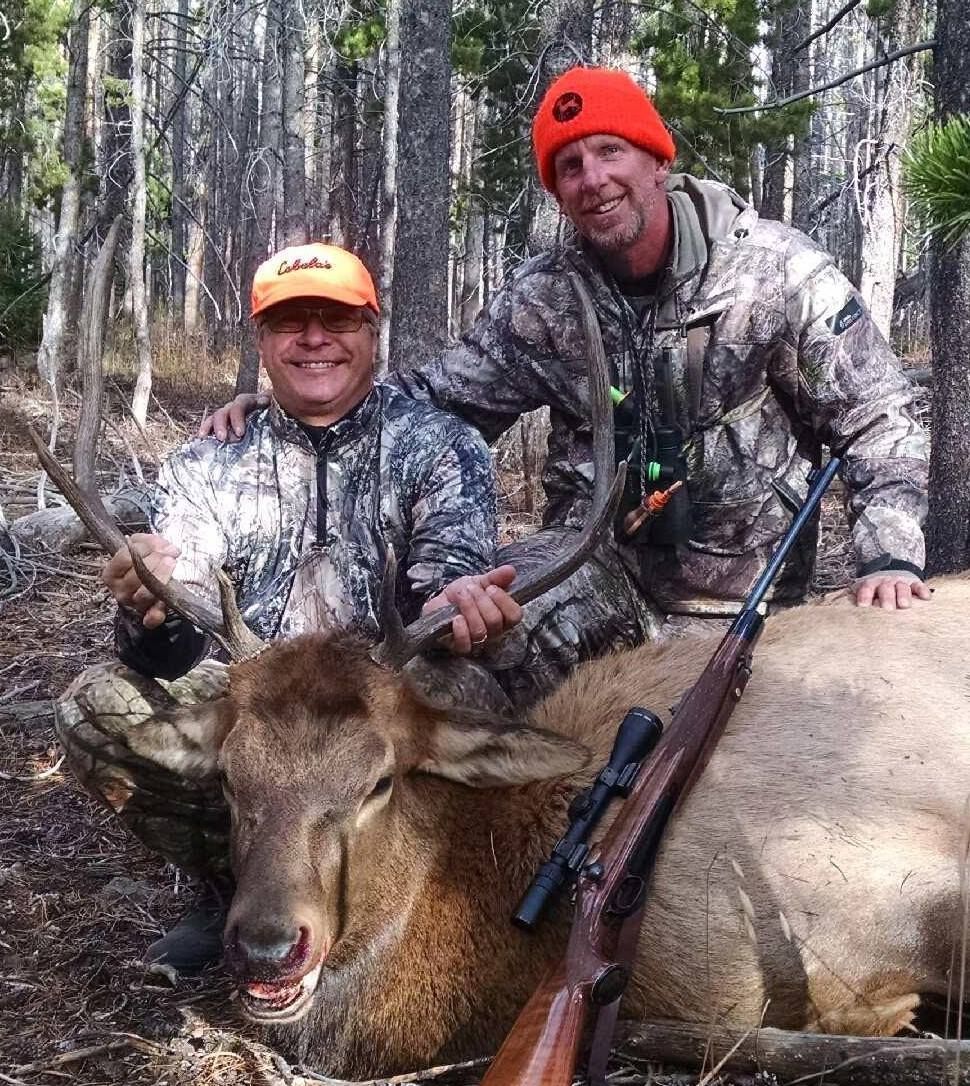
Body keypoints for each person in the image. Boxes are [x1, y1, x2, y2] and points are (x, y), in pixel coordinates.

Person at [205, 65, 931, 673]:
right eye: (569, 166)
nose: (592, 179)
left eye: (610, 152)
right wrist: (286, 408)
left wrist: (890, 559)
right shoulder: (548, 297)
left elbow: (879, 418)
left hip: (746, 601)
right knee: (459, 648)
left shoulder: (777, 272)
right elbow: (435, 402)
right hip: (590, 573)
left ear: (658, 160)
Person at [55, 243, 522, 972]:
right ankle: (238, 887)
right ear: (262, 343)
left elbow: (449, 584)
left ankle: (387, 896)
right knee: (94, 709)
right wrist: (155, 602)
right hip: (260, 705)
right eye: (288, 322)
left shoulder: (440, 447)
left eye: (335, 317)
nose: (313, 337)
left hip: (376, 699)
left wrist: (460, 609)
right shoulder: (209, 463)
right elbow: (174, 637)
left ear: (372, 331)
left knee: (467, 694)